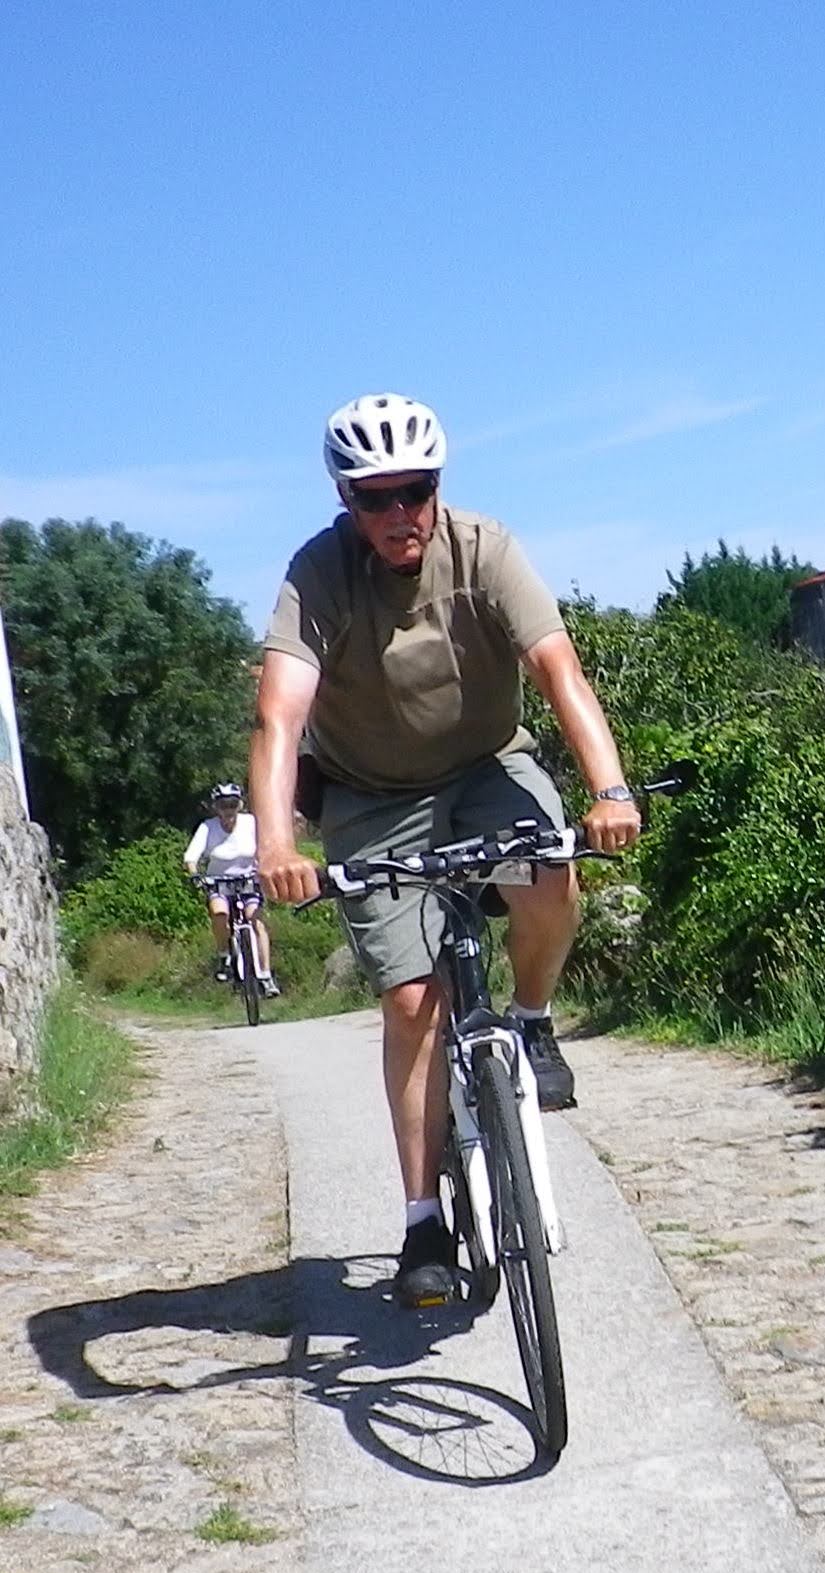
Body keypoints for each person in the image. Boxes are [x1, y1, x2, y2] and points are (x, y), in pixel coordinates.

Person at [250, 393, 643, 1310]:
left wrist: (611, 789)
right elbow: (279, 713)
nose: (398, 516)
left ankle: (533, 1022)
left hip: (484, 768)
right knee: (414, 998)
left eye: (413, 492)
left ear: (438, 486)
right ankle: (423, 1217)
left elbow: (558, 669)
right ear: (346, 500)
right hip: (372, 797)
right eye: (373, 498)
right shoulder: (317, 575)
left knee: (551, 868)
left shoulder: (486, 550)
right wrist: (276, 840)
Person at [183, 782, 279, 997]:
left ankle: (265, 976)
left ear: (240, 805)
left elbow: (267, 846)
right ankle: (224, 954)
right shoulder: (208, 828)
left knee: (257, 922)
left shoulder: (251, 823)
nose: (228, 810)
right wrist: (195, 875)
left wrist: (268, 866)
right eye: (223, 805)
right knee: (219, 913)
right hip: (218, 881)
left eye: (233, 805)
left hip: (248, 879)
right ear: (216, 808)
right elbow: (191, 857)